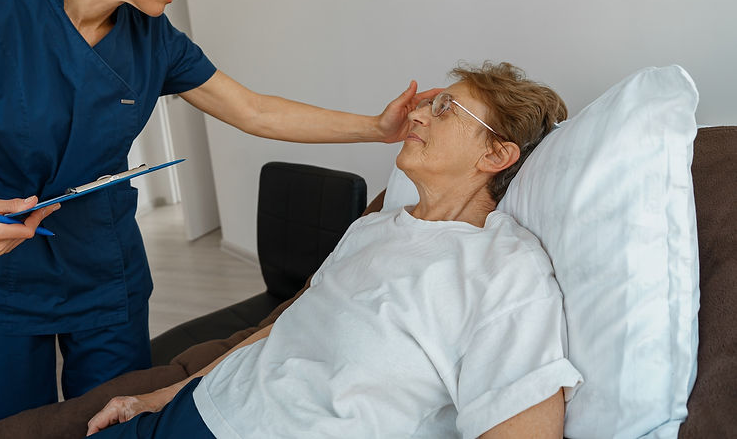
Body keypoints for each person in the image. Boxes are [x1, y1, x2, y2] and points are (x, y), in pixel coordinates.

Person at [0, 0, 435, 432]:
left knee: (110, 419)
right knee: (5, 429)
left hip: (103, 270)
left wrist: (376, 128)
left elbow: (253, 110)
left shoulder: (154, 38)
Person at [85, 62, 584, 438]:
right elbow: (282, 330)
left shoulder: (505, 272)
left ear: (495, 153)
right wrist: (158, 398)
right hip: (193, 410)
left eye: (445, 108)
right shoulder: (375, 228)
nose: (418, 113)